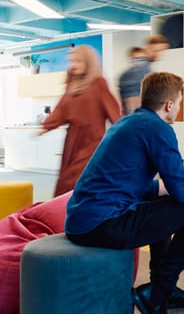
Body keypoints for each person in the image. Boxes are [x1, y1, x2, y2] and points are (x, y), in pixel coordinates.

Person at [64, 72, 184, 314]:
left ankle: (163, 289)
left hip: (82, 220)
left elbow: (144, 187)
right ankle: (158, 293)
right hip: (102, 223)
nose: (179, 107)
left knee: (161, 200)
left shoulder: (129, 122)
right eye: (180, 102)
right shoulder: (158, 129)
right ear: (169, 104)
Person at [39, 45, 121, 197]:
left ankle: (80, 211)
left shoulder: (98, 84)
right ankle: (61, 213)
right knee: (65, 179)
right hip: (72, 140)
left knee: (77, 177)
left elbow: (113, 110)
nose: (73, 65)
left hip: (92, 140)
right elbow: (61, 108)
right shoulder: (72, 85)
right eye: (71, 61)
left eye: (77, 61)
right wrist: (47, 126)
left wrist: (125, 131)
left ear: (88, 63)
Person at [118, 35, 169, 115]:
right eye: (155, 50)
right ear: (147, 48)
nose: (158, 55)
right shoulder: (141, 71)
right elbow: (133, 105)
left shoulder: (146, 69)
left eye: (161, 51)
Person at [118, 46, 148, 115]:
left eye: (141, 59)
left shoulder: (149, 75)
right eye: (135, 59)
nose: (138, 62)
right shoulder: (123, 77)